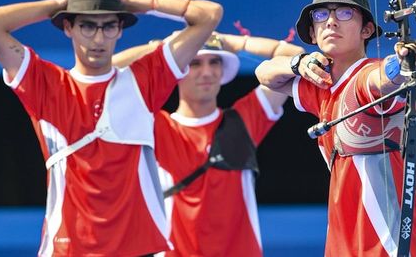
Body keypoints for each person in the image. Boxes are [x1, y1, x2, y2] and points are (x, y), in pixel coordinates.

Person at [0, 0, 223, 256]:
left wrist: (131, 1)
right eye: (87, 26)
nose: (98, 39)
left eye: (109, 26)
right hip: (68, 250)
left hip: (138, 249)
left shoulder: (145, 80)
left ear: (120, 30)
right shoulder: (44, 84)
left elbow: (209, 15)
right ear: (68, 28)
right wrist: (59, 4)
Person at [255, 0, 416, 257]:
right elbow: (265, 74)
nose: (330, 22)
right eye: (321, 15)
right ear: (313, 34)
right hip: (344, 243)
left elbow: (384, 79)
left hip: (387, 245)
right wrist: (299, 62)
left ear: (366, 29)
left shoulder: (366, 76)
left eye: (344, 13)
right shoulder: (321, 86)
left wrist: (406, 61)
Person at [113, 30, 305, 257]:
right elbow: (109, 75)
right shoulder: (156, 126)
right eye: (195, 63)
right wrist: (165, 48)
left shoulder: (244, 120)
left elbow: (294, 57)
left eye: (214, 61)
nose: (207, 72)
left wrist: (234, 41)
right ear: (177, 69)